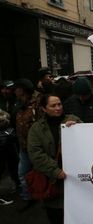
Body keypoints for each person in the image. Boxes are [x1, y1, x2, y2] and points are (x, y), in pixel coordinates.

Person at [27, 94, 81, 224]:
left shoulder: (73, 119)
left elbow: (88, 137)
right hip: (51, 176)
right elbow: (36, 154)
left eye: (59, 104)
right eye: (53, 106)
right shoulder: (36, 129)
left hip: (74, 174)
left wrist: (78, 127)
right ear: (44, 109)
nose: (58, 108)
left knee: (77, 203)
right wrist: (55, 171)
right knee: (54, 205)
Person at [14, 78, 42, 210]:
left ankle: (43, 196)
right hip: (23, 145)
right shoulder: (19, 103)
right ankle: (28, 197)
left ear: (23, 89)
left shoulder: (38, 102)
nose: (15, 91)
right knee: (23, 172)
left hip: (37, 146)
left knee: (41, 173)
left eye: (17, 88)